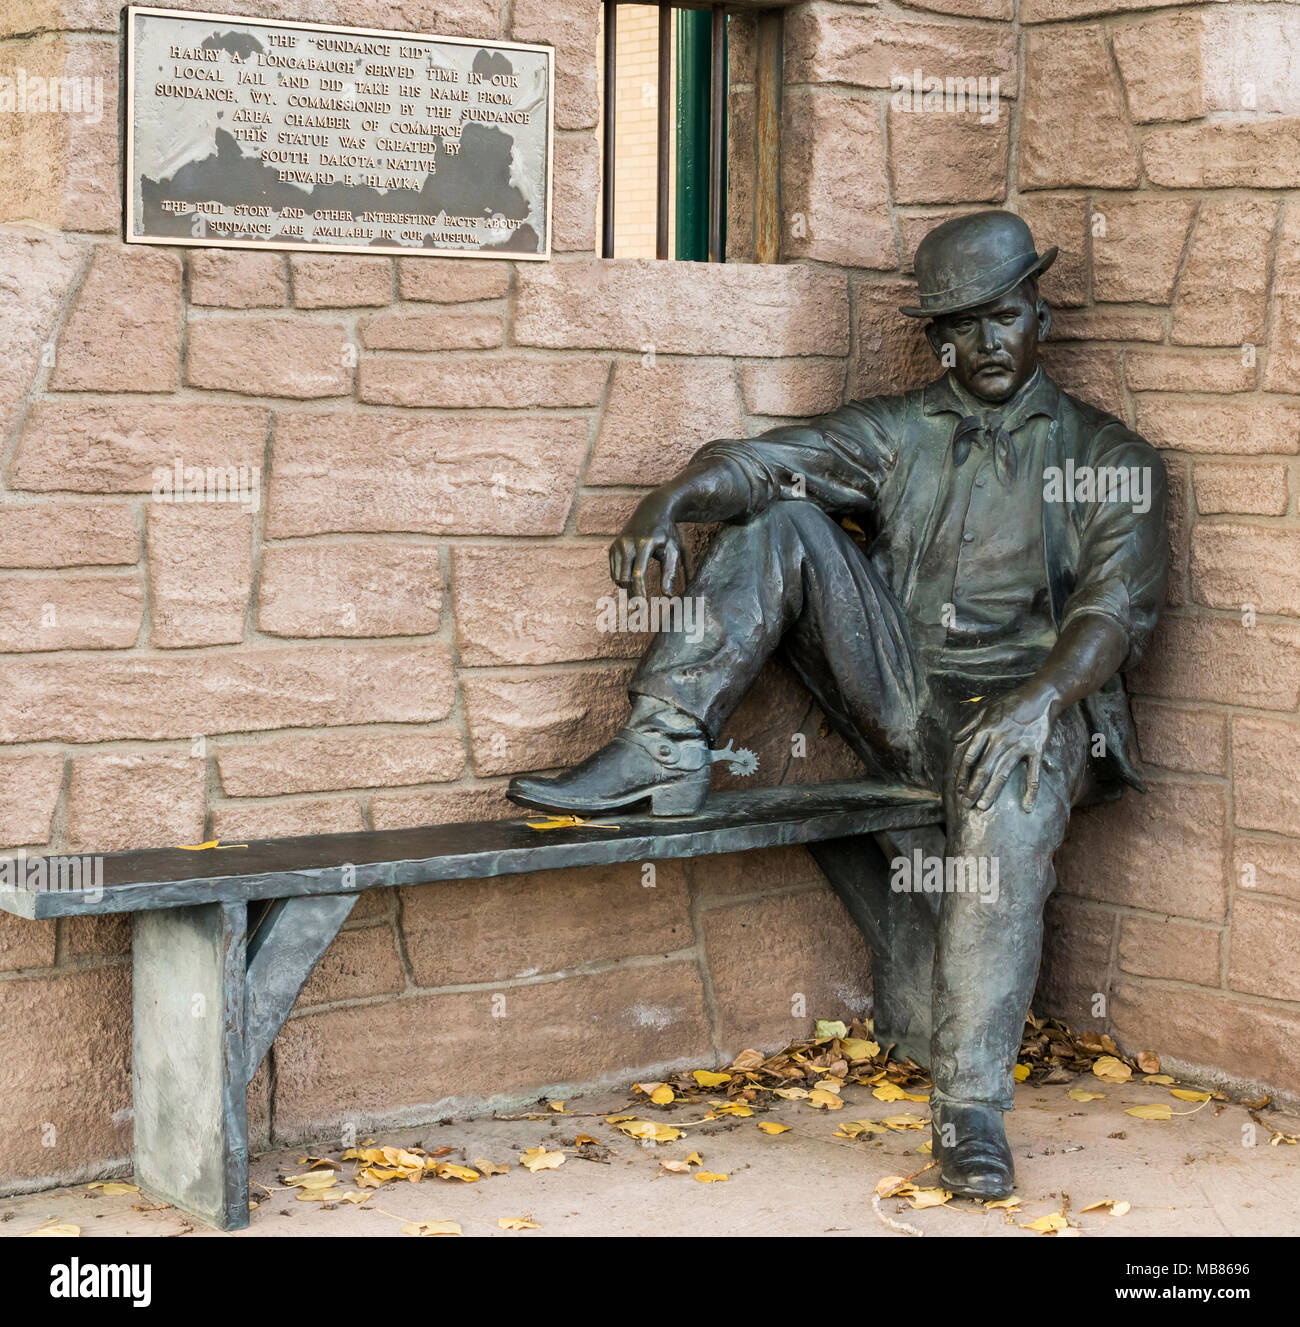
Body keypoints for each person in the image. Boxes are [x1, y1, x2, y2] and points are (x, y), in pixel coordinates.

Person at [508, 210, 1168, 1199]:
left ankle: (968, 1109)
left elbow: (1114, 610)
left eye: (1001, 317)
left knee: (1010, 782)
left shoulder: (1111, 457)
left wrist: (1036, 702)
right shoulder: (902, 432)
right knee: (779, 517)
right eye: (958, 327)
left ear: (1040, 315)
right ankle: (662, 741)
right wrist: (679, 497)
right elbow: (773, 459)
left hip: (1036, 708)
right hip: (907, 695)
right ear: (937, 339)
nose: (982, 344)